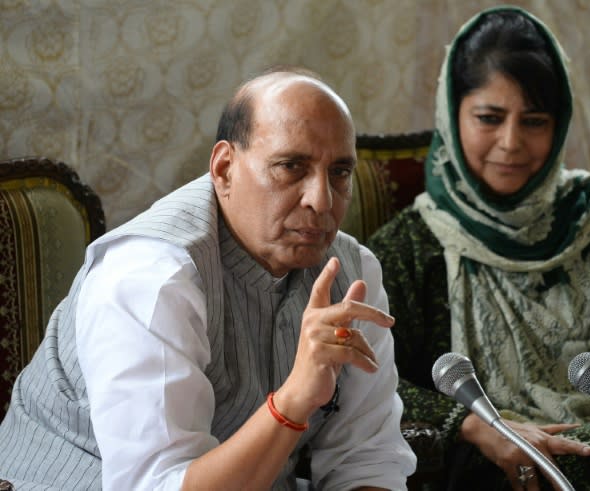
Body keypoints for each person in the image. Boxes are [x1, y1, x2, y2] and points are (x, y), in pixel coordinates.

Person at [366, 6, 590, 491]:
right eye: (489, 118)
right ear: (451, 115)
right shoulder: (409, 247)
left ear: (559, 126)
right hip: (495, 471)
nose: (511, 143)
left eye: (534, 121)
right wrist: (476, 426)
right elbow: (367, 379)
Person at [0, 68, 416, 490]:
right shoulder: (152, 275)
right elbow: (161, 485)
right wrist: (293, 400)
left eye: (340, 172)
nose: (321, 199)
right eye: (291, 166)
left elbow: (367, 457)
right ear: (224, 169)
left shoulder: (354, 271)